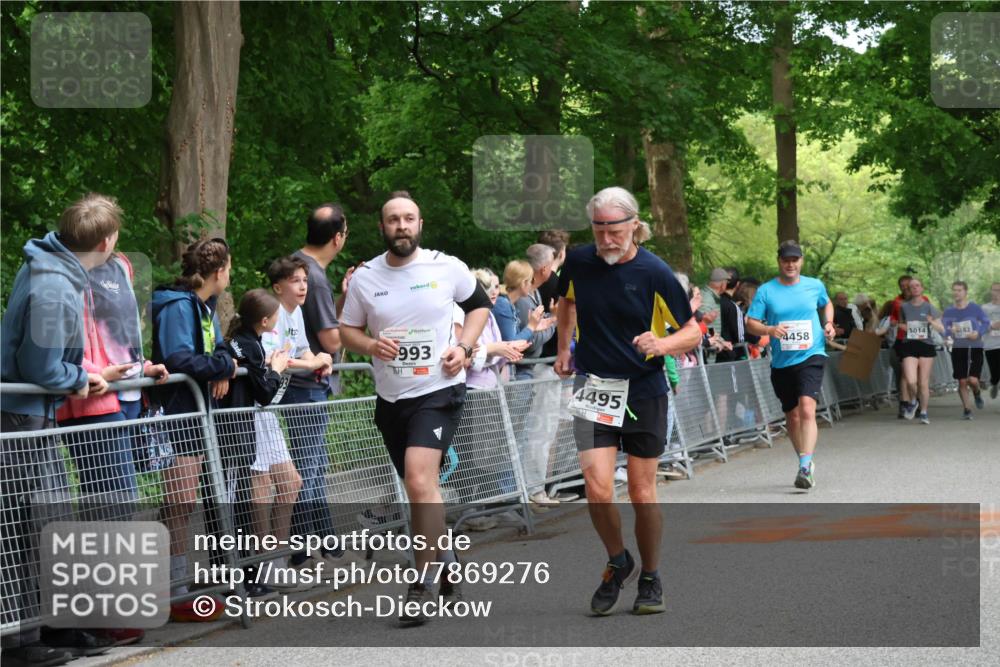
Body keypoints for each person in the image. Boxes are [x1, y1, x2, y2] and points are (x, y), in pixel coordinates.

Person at [339, 191, 492, 627]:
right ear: (382, 227)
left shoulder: (447, 267)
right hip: (391, 397)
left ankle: (419, 585)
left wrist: (464, 346)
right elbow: (346, 330)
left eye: (408, 218)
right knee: (419, 490)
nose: (401, 226)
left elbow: (479, 306)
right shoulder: (367, 277)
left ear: (420, 224)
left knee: (420, 478)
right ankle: (448, 562)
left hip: (439, 389)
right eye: (393, 220)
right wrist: (370, 344)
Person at [554, 186, 700, 617]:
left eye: (614, 230)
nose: (606, 239)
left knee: (640, 491)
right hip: (595, 385)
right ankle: (619, 560)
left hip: (644, 389)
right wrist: (564, 347)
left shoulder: (655, 272)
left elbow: (693, 332)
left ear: (635, 225)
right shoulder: (579, 260)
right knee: (597, 489)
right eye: (598, 229)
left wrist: (662, 342)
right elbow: (566, 302)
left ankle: (651, 576)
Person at [1, 194, 118, 666]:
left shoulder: (56, 271)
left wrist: (81, 369)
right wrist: (80, 378)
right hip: (22, 415)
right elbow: (40, 365)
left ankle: (53, 625)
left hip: (34, 414)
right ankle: (18, 642)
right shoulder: (54, 286)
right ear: (107, 243)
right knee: (20, 527)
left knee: (45, 522)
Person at [151, 237, 237, 622]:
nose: (229, 275)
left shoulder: (205, 306)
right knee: (179, 502)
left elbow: (221, 351)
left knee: (182, 502)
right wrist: (219, 369)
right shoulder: (177, 306)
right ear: (219, 272)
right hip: (174, 412)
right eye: (229, 269)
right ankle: (174, 590)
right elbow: (178, 357)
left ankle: (176, 584)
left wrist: (222, 366)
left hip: (194, 412)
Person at [284, 204, 355, 573]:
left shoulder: (299, 265)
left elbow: (322, 324)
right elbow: (330, 339)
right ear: (338, 237)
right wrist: (358, 322)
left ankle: (326, 538)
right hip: (307, 384)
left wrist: (341, 301)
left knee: (314, 463)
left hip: (303, 383)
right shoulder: (314, 275)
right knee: (307, 468)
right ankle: (300, 550)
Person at [220, 288, 297, 600]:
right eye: (275, 316)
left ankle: (250, 575)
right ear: (265, 321)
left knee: (238, 504)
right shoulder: (248, 346)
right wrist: (275, 370)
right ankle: (240, 579)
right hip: (238, 431)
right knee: (236, 505)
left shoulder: (239, 341)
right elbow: (264, 393)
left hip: (238, 430)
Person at [746, 240, 836, 490]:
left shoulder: (814, 285)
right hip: (783, 360)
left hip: (812, 354)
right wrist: (770, 329)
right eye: (786, 260)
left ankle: (805, 466)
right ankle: (804, 461)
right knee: (793, 415)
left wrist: (828, 323)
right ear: (779, 262)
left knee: (807, 408)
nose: (790, 264)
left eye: (795, 260)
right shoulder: (766, 291)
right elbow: (750, 322)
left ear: (801, 262)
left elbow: (826, 303)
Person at [492, 259, 559, 507]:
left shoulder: (507, 304)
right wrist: (533, 326)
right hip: (512, 376)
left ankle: (513, 493)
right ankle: (509, 495)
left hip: (514, 374)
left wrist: (544, 323)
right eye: (530, 281)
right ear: (523, 283)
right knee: (511, 438)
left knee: (516, 436)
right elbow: (514, 343)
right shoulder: (502, 305)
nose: (533, 285)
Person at [887, 277, 944, 424]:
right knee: (911, 381)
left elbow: (941, 328)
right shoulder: (904, 307)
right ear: (909, 290)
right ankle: (913, 400)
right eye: (912, 287)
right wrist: (904, 327)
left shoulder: (929, 307)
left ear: (922, 288)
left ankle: (924, 412)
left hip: (926, 345)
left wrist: (931, 322)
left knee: (923, 383)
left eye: (918, 286)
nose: (915, 288)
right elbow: (900, 324)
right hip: (909, 345)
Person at [462, 268, 529, 389]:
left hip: (491, 384)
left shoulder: (490, 315)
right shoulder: (465, 315)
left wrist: (509, 348)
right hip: (473, 385)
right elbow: (469, 356)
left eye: (496, 287)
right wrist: (499, 348)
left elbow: (495, 349)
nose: (493, 292)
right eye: (486, 288)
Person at [941, 281, 990, 419]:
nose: (956, 293)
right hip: (958, 348)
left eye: (959, 290)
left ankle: (977, 392)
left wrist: (978, 333)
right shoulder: (949, 311)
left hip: (975, 347)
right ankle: (967, 410)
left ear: (965, 292)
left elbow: (986, 323)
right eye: (954, 290)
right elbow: (944, 331)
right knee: (962, 381)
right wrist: (950, 331)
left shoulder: (975, 308)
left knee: (973, 380)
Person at [516, 244, 558, 378]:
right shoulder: (523, 299)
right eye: (551, 266)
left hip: (530, 368)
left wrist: (548, 319)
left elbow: (536, 327)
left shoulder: (535, 292)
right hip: (520, 371)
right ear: (544, 269)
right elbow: (529, 343)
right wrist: (554, 319)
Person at [537, 230, 570, 359]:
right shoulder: (561, 286)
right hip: (551, 356)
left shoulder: (527, 279)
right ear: (561, 254)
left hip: (524, 353)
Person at [984, 282, 1000, 399]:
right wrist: (991, 325)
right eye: (994, 290)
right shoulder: (985, 308)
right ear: (991, 291)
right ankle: (994, 383)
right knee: (995, 373)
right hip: (991, 345)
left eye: (999, 290)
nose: (997, 292)